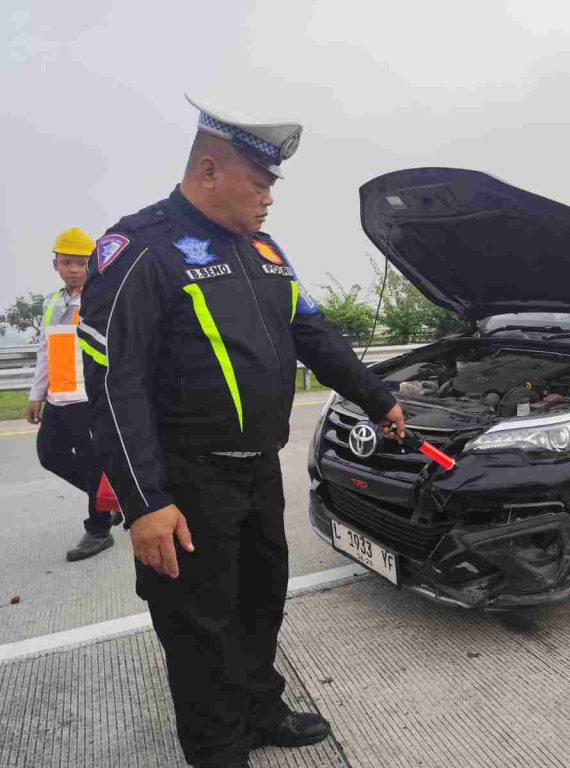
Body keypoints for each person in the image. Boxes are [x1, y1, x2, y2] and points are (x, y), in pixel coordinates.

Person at [79, 94, 405, 768]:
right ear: (207, 171)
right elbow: (115, 386)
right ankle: (217, 748)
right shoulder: (141, 250)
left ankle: (260, 710)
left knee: (259, 604)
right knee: (199, 627)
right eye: (258, 184)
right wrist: (145, 502)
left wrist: (377, 397)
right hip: (185, 481)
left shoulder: (263, 251)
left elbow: (312, 331)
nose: (268, 199)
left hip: (256, 472)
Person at [27, 227, 123, 561]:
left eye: (81, 264)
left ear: (92, 265)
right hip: (58, 398)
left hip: (89, 397)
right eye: (67, 263)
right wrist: (36, 393)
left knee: (93, 462)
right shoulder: (52, 302)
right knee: (49, 455)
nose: (74, 270)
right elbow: (45, 351)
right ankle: (113, 500)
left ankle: (98, 530)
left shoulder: (100, 299)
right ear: (56, 264)